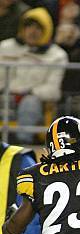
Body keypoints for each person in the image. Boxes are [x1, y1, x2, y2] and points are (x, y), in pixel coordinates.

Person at [0, 8, 69, 144]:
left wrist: (29, 93)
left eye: (38, 28)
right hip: (5, 94)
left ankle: (21, 145)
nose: (32, 31)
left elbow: (53, 89)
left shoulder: (57, 55)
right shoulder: (5, 47)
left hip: (35, 99)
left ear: (47, 30)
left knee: (29, 104)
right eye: (28, 26)